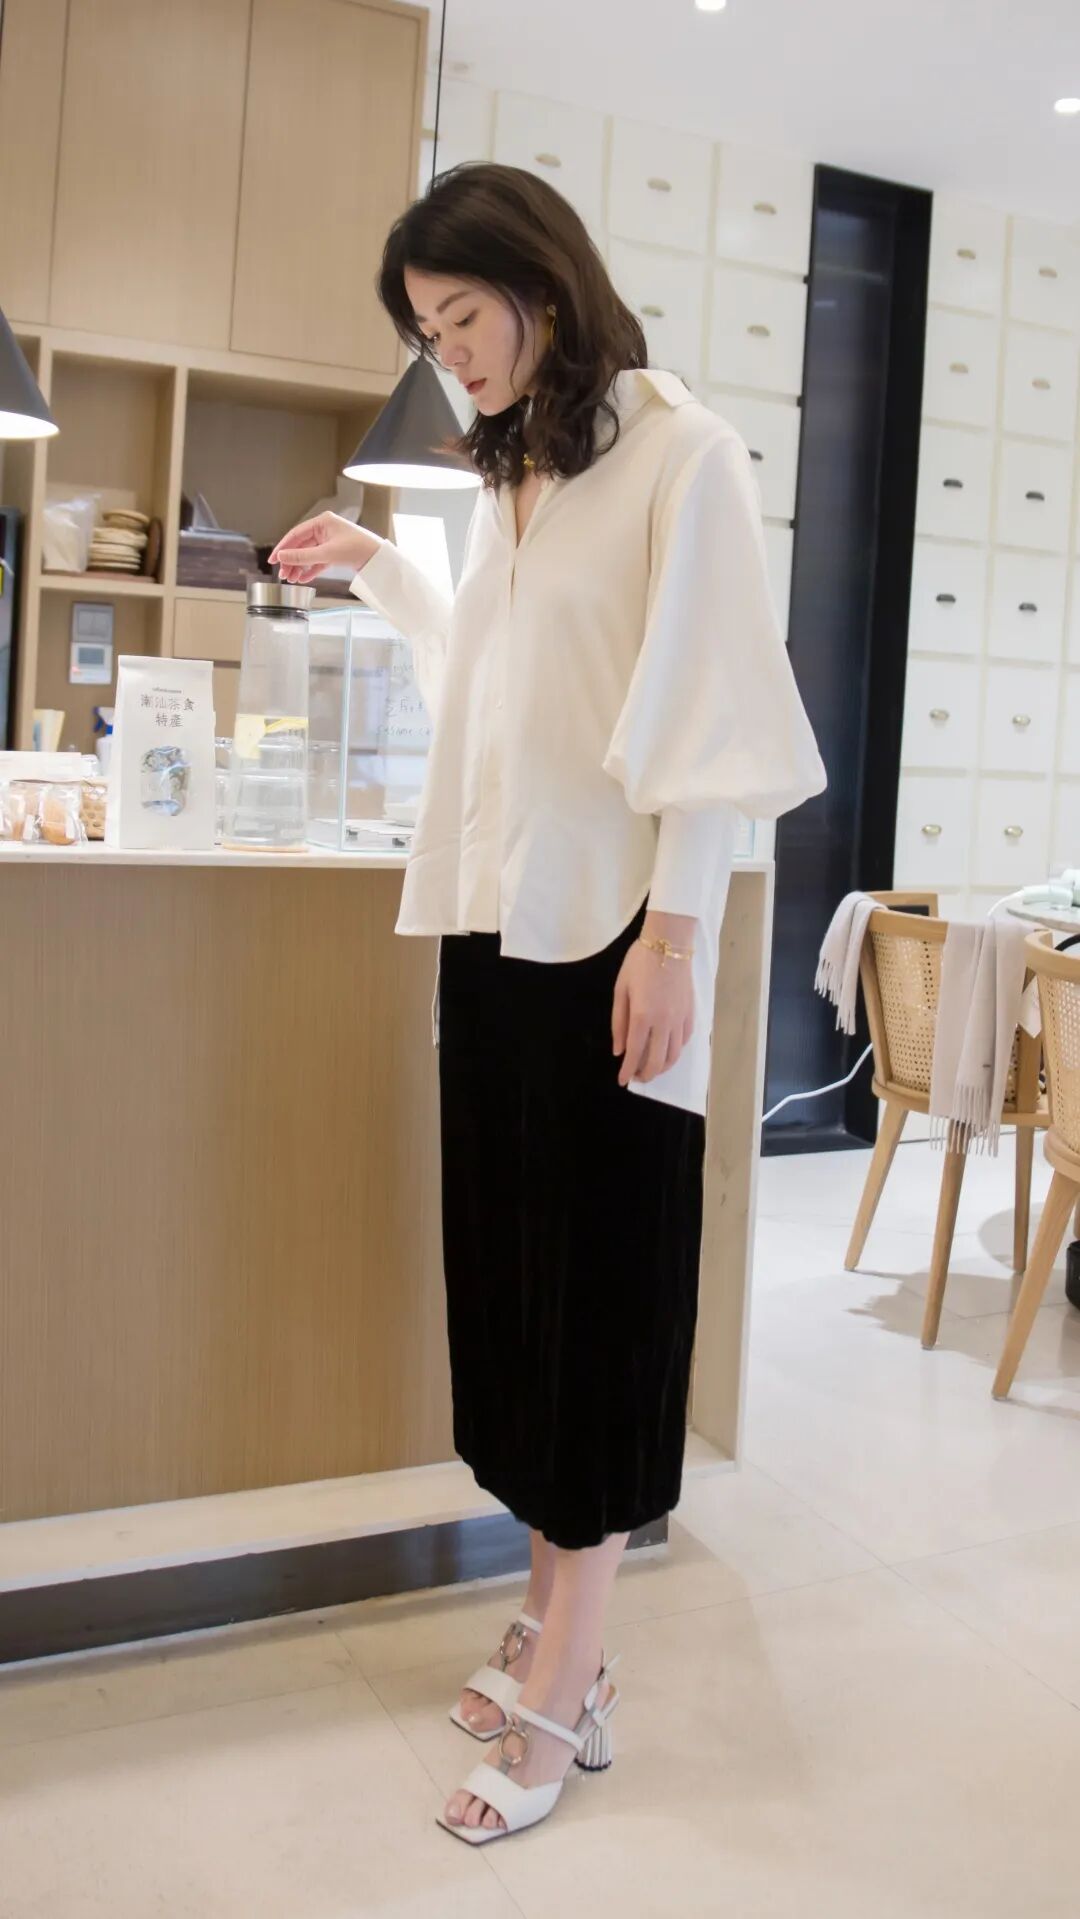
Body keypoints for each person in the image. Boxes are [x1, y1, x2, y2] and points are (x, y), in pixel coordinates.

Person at [270, 161, 826, 1846]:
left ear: (543, 284)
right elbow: (500, 697)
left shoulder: (684, 455)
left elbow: (713, 712)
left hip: (612, 943)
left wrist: (676, 936)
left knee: (596, 1303)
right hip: (498, 929)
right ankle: (545, 1614)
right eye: (426, 334)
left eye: (462, 318)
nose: (450, 357)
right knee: (516, 1290)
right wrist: (386, 568)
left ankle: (574, 1673)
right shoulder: (518, 475)